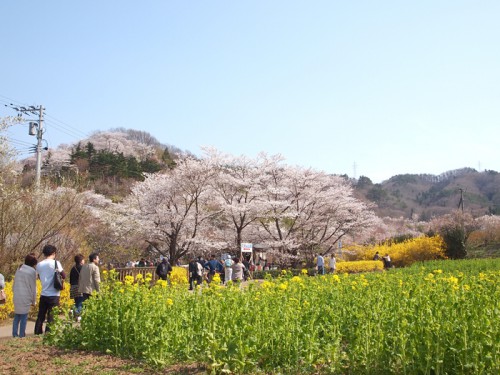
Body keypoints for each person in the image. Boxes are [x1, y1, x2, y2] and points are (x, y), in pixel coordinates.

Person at [35, 244, 66, 335]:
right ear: (53, 253)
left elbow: (39, 277)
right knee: (51, 316)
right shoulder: (56, 263)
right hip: (54, 293)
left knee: (41, 315)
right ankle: (49, 333)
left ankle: (37, 332)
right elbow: (63, 275)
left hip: (44, 293)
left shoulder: (39, 264)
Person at [12, 253, 38, 338]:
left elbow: (14, 283)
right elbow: (33, 287)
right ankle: (22, 335)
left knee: (17, 316)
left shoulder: (19, 268)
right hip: (26, 296)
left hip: (17, 295)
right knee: (24, 316)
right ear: (33, 263)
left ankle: (14, 334)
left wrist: (14, 292)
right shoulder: (32, 271)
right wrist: (34, 300)